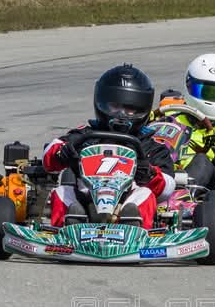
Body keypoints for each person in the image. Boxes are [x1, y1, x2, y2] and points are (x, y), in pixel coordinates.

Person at [41, 64, 176, 229]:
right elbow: (49, 155)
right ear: (101, 103)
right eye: (115, 107)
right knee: (63, 191)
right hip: (86, 199)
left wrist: (149, 173)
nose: (121, 114)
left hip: (125, 202)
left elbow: (168, 187)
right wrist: (62, 153)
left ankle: (132, 226)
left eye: (130, 109)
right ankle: (69, 226)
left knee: (145, 194)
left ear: (143, 110)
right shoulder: (86, 135)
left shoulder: (150, 145)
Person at [160, 54, 215, 190]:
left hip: (206, 187)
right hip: (165, 171)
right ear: (189, 85)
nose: (214, 100)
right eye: (207, 92)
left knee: (201, 160)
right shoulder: (171, 116)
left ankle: (182, 195)